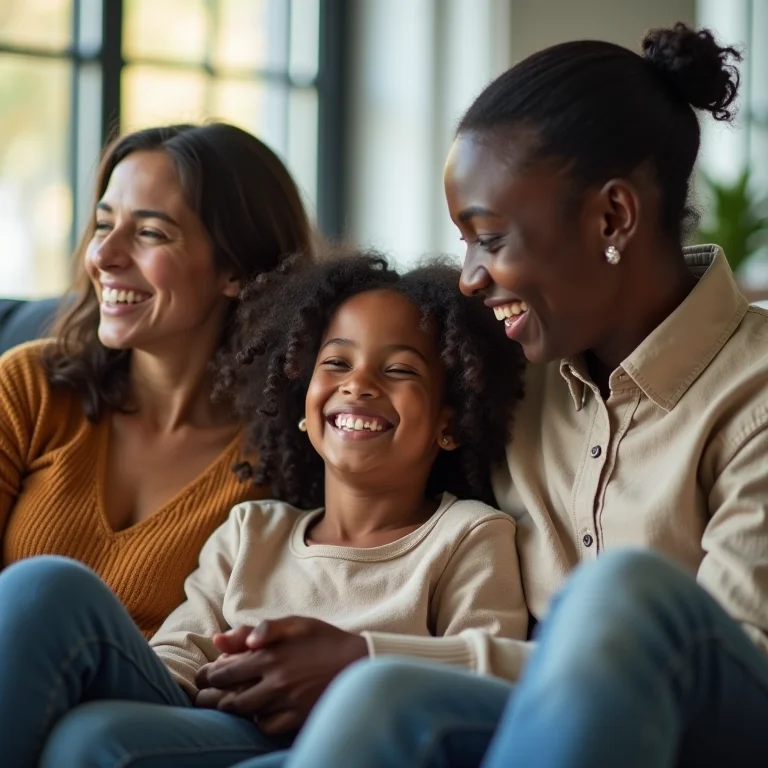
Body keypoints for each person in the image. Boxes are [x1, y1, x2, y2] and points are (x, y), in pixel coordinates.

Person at [245, 22, 768, 768]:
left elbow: (731, 656)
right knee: (377, 700)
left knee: (619, 593)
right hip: (525, 719)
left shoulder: (755, 389)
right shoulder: (501, 377)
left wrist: (370, 650)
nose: (469, 275)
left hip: (709, 724)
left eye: (490, 239)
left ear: (612, 217)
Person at [0, 252, 529, 767]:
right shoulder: (251, 530)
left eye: (398, 370)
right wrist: (213, 682)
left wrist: (352, 666)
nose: (359, 384)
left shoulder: (468, 535)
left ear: (451, 423)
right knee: (47, 590)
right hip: (211, 723)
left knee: (93, 742)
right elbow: (180, 654)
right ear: (304, 405)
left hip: (337, 741)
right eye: (337, 362)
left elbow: (480, 679)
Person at [0, 122, 313, 636]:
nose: (102, 257)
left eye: (149, 233)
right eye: (103, 225)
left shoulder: (286, 454)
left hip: (156, 703)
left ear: (235, 271)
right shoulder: (31, 387)